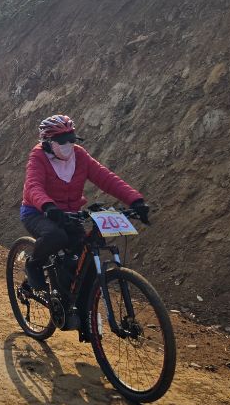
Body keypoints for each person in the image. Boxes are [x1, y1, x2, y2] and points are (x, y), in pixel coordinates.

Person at [21, 114, 150, 294]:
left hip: (69, 214)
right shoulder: (38, 156)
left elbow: (105, 178)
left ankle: (77, 303)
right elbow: (33, 186)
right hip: (38, 211)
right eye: (62, 140)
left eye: (71, 139)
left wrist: (135, 200)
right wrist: (48, 206)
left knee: (85, 260)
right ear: (48, 142)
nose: (68, 144)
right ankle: (34, 264)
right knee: (56, 236)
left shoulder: (79, 155)